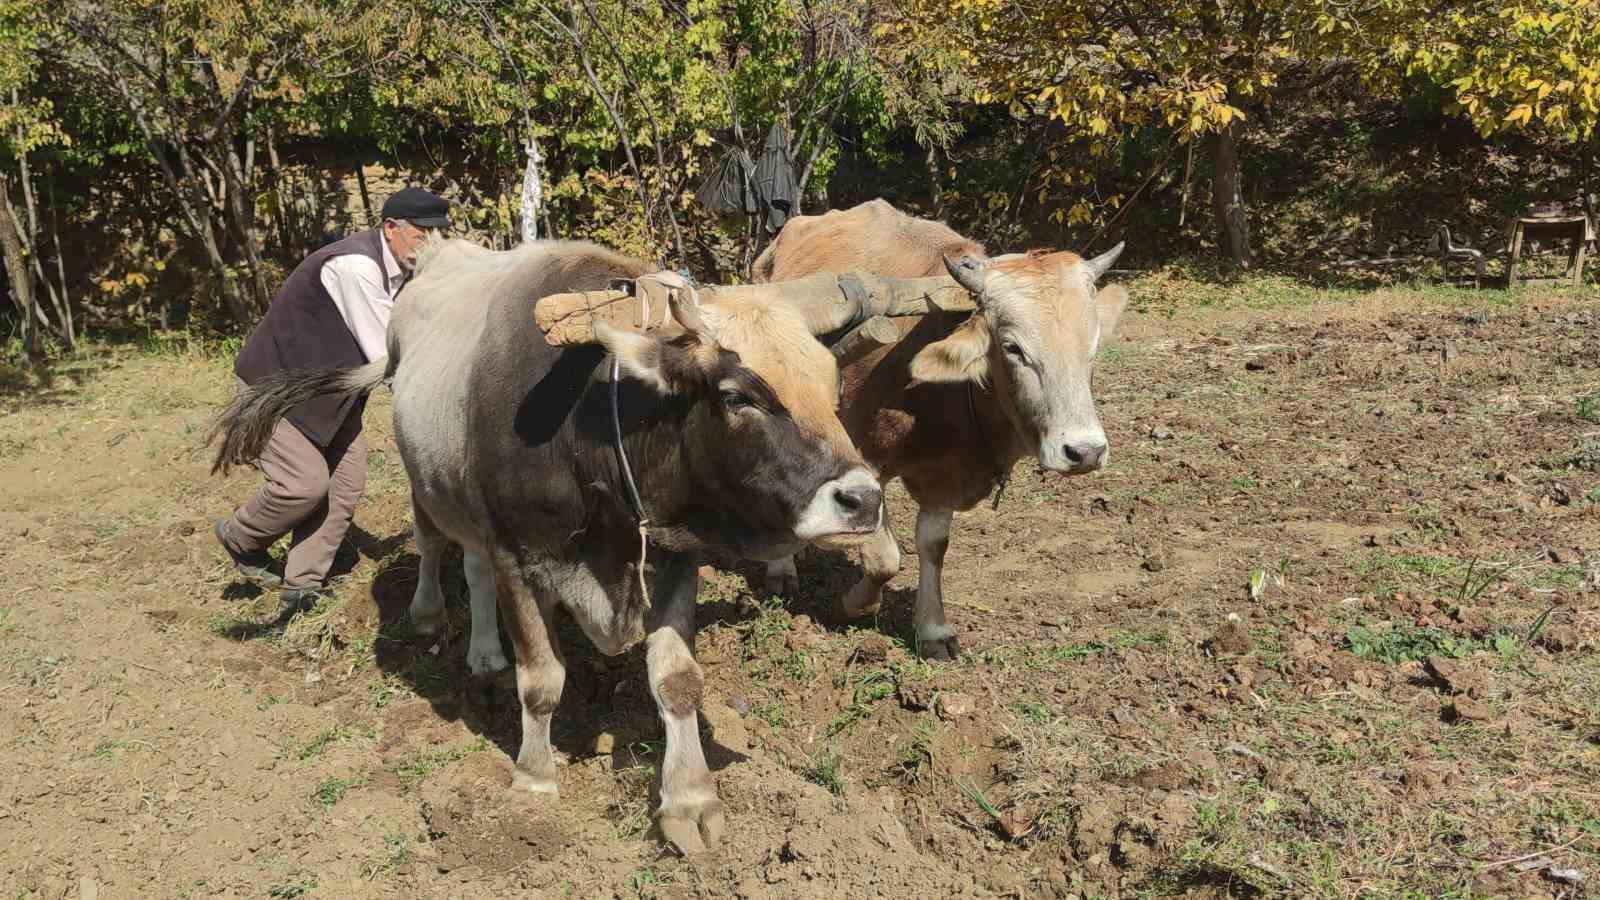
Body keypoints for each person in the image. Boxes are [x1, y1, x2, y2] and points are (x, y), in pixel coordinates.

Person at [214, 187, 451, 616]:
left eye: (439, 235)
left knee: (344, 485)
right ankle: (240, 537)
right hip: (277, 390)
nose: (431, 245)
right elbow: (388, 354)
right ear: (391, 228)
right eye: (423, 234)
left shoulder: (407, 270)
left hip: (331, 396)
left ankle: (302, 584)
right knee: (302, 485)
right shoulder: (355, 267)